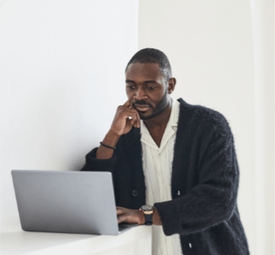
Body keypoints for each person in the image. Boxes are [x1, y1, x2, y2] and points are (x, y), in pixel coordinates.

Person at [81, 48, 250, 255]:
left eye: (150, 87)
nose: (138, 95)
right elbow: (90, 193)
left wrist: (146, 215)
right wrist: (112, 135)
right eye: (131, 86)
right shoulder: (124, 137)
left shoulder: (209, 126)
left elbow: (220, 199)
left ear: (170, 85)